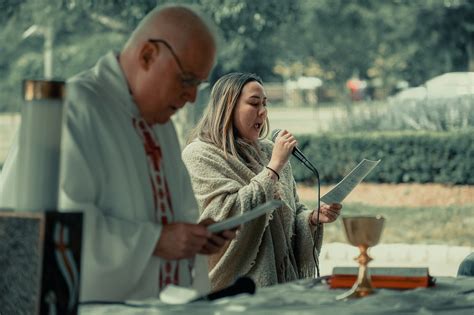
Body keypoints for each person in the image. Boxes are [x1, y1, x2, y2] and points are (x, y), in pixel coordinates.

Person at [0, 5, 236, 301]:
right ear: (148, 55)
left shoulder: (159, 122)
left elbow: (169, 221)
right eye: (186, 80)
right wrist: (154, 242)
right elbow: (50, 234)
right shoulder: (73, 111)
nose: (191, 97)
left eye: (198, 86)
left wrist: (196, 238)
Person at [182, 72, 342, 290]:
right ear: (227, 107)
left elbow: (291, 213)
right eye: (254, 103)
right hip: (235, 291)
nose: (263, 112)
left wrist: (312, 219)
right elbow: (223, 215)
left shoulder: (268, 151)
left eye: (265, 104)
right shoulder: (200, 155)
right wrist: (273, 167)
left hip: (283, 286)